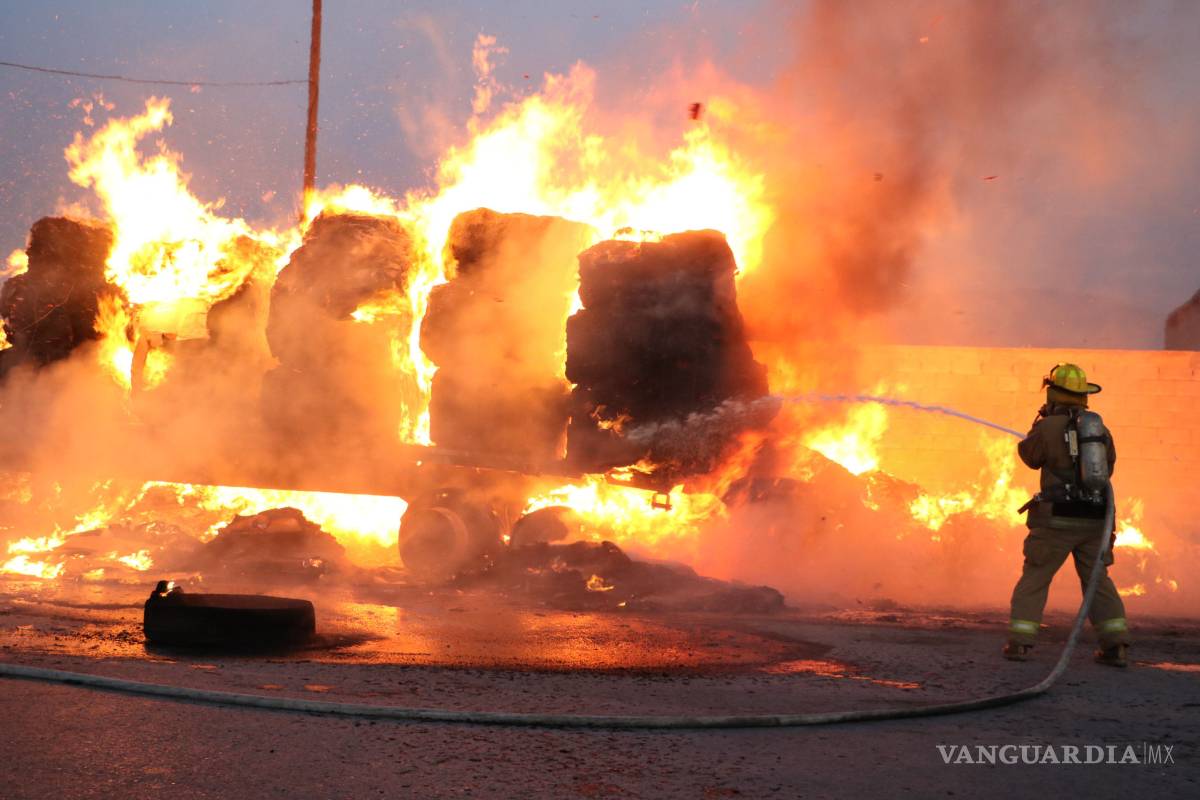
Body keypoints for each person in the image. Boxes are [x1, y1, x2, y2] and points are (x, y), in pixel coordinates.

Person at [1004, 363, 1130, 667]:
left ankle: (1020, 642)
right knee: (1097, 581)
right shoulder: (1100, 429)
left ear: (1053, 393)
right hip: (1095, 521)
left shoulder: (1047, 427)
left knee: (1036, 576)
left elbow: (1030, 458)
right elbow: (1108, 468)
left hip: (1056, 521)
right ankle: (1115, 647)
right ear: (1084, 396)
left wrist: (1042, 425)